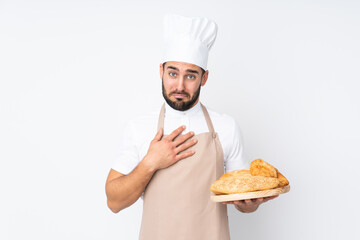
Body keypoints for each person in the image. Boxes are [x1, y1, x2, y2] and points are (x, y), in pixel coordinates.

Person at [105, 14, 278, 240]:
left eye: (191, 76)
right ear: (161, 71)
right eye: (173, 73)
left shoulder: (226, 127)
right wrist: (151, 162)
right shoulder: (139, 127)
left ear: (204, 78)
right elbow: (114, 202)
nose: (179, 85)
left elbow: (242, 198)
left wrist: (249, 205)